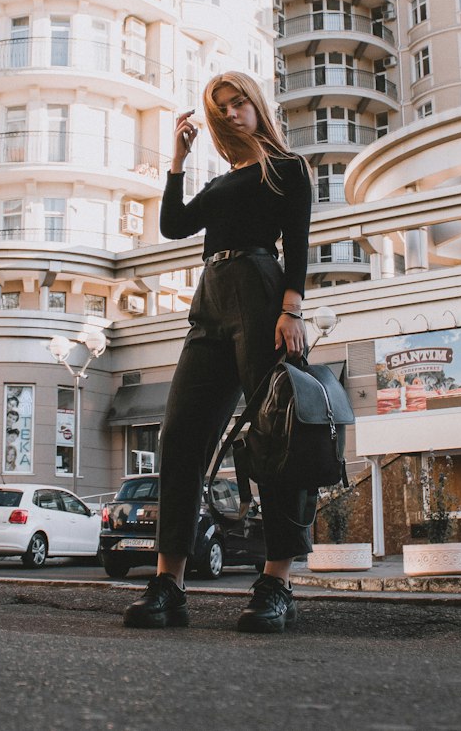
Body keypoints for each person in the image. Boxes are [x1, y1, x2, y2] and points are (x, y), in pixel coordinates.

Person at [123, 71, 313, 634]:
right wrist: (177, 161)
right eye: (221, 108)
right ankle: (169, 585)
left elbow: (298, 241)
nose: (231, 113)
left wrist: (291, 310)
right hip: (210, 297)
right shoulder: (224, 180)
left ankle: (276, 582)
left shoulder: (286, 169)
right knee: (179, 435)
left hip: (261, 290)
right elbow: (174, 224)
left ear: (256, 104)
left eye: (238, 103)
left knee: (276, 438)